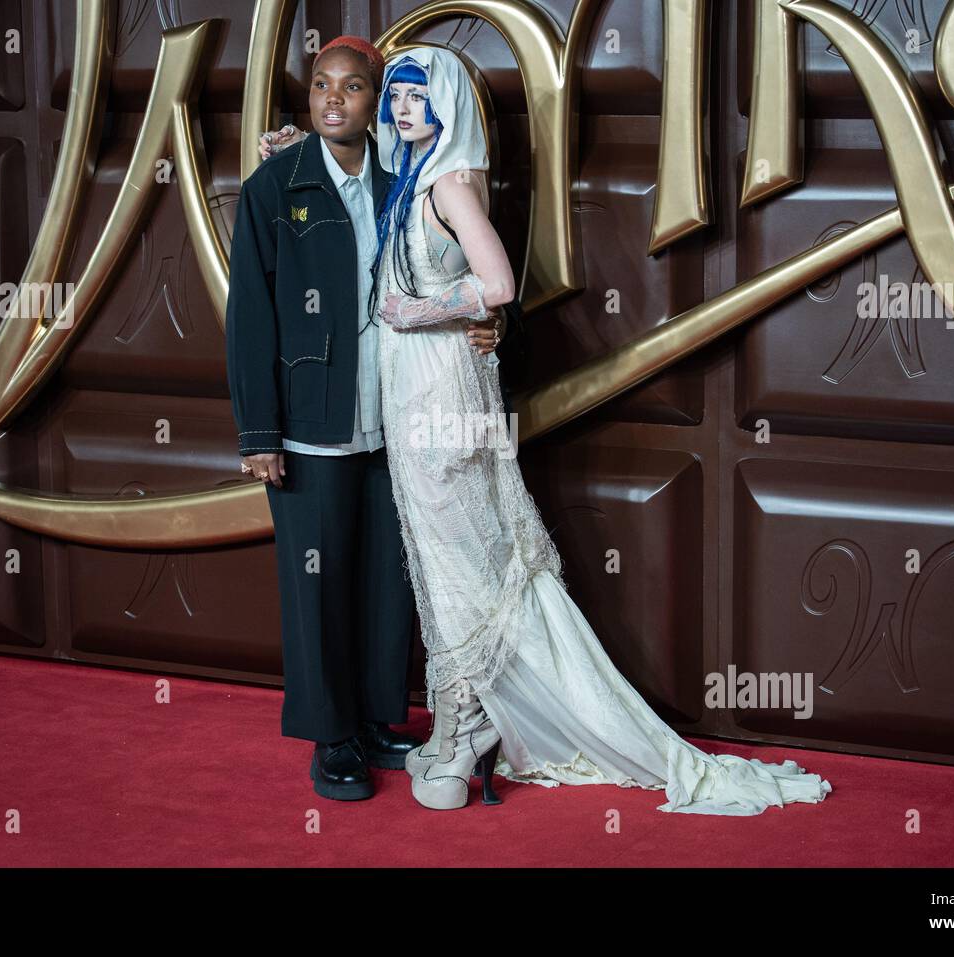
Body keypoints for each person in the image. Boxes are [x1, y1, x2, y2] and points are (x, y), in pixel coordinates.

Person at [263, 46, 833, 815]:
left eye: (413, 98)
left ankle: (468, 724)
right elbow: (349, 188)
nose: (401, 111)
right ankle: (466, 717)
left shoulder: (453, 184)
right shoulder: (407, 182)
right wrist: (295, 148)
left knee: (464, 555)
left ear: (448, 107)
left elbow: (496, 285)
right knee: (439, 559)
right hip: (409, 395)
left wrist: (430, 312)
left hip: (440, 398)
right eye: (394, 97)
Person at [224, 36, 499, 802]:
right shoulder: (276, 185)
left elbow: (456, 272)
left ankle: (381, 718)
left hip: (399, 420)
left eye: (353, 88)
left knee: (387, 581)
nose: (334, 98)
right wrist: (258, 433)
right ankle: (331, 735)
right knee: (317, 585)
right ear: (309, 97)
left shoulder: (401, 183)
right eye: (321, 85)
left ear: (376, 103)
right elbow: (248, 316)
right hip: (313, 423)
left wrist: (490, 321)